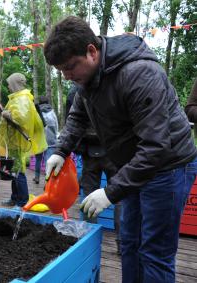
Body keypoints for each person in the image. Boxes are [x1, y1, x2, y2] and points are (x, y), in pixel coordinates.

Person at [43, 16, 197, 283]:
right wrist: (61, 150)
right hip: (134, 165)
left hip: (168, 167)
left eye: (70, 67)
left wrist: (111, 191)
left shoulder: (139, 74)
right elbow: (78, 116)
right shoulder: (87, 79)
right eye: (61, 71)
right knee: (128, 242)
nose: (67, 76)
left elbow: (156, 147)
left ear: (92, 51)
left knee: (154, 252)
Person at [66, 85, 121, 254]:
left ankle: (88, 241)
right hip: (112, 150)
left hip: (91, 152)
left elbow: (70, 122)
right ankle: (122, 243)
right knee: (120, 196)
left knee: (89, 195)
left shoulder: (75, 91)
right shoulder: (112, 86)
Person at [0, 73, 47, 207]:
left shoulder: (22, 98)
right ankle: (15, 198)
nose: (8, 86)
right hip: (14, 141)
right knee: (14, 170)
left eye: (9, 83)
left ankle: (22, 201)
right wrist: (3, 111)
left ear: (14, 83)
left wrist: (5, 113)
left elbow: (21, 119)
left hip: (18, 142)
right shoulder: (17, 98)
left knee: (19, 172)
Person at [32, 96, 59, 185]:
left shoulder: (37, 112)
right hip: (51, 140)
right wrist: (56, 135)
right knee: (49, 161)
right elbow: (56, 125)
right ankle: (48, 181)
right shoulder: (52, 112)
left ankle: (36, 177)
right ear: (48, 102)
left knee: (38, 160)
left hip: (39, 140)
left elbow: (34, 126)